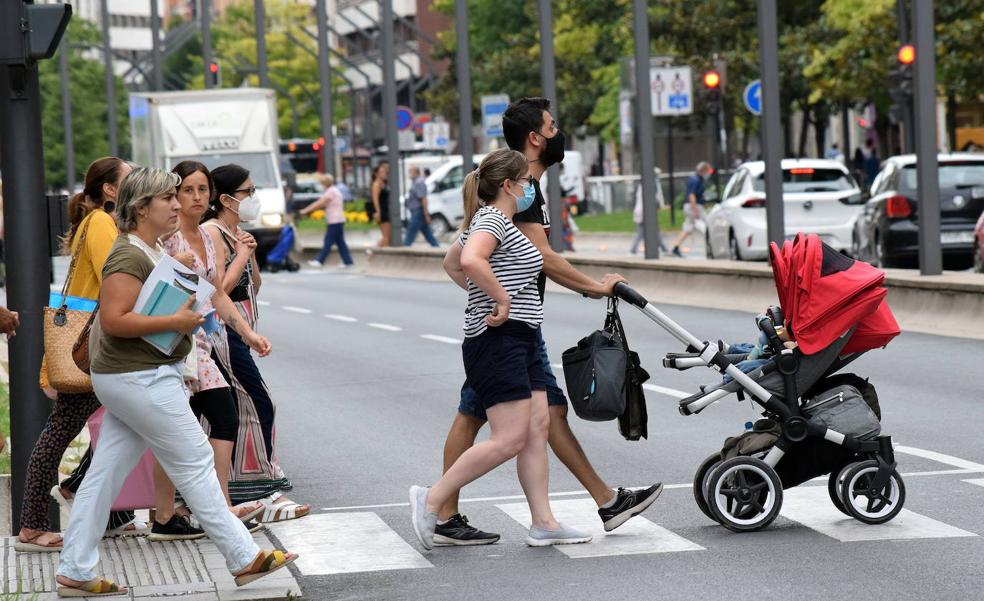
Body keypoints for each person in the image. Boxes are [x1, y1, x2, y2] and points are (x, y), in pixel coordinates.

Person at [430, 97, 662, 547]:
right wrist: (594, 288)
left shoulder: (520, 190)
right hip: (511, 331)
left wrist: (489, 299)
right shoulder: (522, 194)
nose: (559, 134)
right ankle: (440, 507)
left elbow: (460, 260)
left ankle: (579, 509)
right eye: (553, 127)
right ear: (536, 137)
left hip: (515, 326)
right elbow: (545, 259)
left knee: (530, 415)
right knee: (495, 417)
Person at [55, 166, 295, 597]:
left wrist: (177, 271)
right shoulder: (127, 254)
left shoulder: (148, 248)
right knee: (196, 460)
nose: (177, 203)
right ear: (142, 207)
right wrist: (178, 319)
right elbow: (113, 319)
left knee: (103, 477)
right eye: (167, 197)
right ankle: (243, 557)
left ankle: (75, 570)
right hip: (139, 377)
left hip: (136, 376)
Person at [411, 149, 591, 550]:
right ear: (508, 185)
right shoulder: (492, 219)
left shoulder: (496, 222)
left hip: (521, 338)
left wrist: (487, 295)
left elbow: (452, 263)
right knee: (508, 438)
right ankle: (432, 498)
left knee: (535, 430)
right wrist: (499, 300)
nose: (531, 188)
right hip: (498, 340)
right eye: (526, 181)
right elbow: (471, 261)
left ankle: (544, 522)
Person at [15, 157, 144, 554]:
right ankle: (34, 525)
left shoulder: (100, 222)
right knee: (63, 432)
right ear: (110, 190)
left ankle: (107, 511)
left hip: (94, 340)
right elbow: (116, 273)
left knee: (127, 421)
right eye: (129, 177)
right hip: (91, 343)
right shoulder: (102, 224)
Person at [150, 161, 271, 539]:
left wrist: (247, 334)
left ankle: (201, 509)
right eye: (188, 190)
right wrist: (171, 264)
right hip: (171, 346)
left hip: (201, 345)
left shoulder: (204, 238)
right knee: (183, 429)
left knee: (221, 417)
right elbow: (149, 286)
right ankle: (170, 514)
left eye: (203, 189)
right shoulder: (168, 238)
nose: (197, 197)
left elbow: (218, 293)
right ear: (174, 195)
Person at [202, 164, 311, 521]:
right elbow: (218, 289)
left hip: (240, 327)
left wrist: (249, 254)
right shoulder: (213, 232)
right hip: (221, 330)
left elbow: (253, 285)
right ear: (227, 199)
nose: (254, 198)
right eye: (248, 192)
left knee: (233, 409)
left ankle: (233, 487)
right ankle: (263, 488)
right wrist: (244, 255)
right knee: (257, 401)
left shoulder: (236, 232)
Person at [302, 173, 354, 269]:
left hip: (334, 220)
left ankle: (320, 260)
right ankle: (348, 261)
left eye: (321, 183)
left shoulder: (330, 192)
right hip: (338, 219)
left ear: (324, 183)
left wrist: (306, 210)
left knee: (328, 241)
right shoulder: (334, 190)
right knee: (340, 242)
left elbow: (319, 203)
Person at [670, 161, 711, 257]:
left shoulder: (696, 179)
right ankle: (711, 245)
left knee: (688, 227)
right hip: (693, 206)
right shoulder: (696, 180)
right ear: (703, 170)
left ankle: (676, 246)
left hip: (693, 206)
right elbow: (691, 195)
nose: (708, 173)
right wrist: (695, 209)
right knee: (707, 224)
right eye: (708, 171)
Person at [403, 166, 440, 247]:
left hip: (418, 210)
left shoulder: (419, 182)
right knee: (427, 232)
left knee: (411, 231)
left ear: (416, 172)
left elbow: (423, 199)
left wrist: (426, 214)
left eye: (410, 172)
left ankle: (405, 247)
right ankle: (436, 246)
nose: (409, 174)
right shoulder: (416, 181)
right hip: (416, 210)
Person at [369, 162, 391, 247]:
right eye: (382, 172)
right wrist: (378, 212)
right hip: (382, 212)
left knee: (388, 237)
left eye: (385, 172)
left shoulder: (384, 184)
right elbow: (375, 199)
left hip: (386, 210)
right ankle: (371, 253)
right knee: (386, 238)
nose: (384, 174)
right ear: (376, 174)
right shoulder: (376, 184)